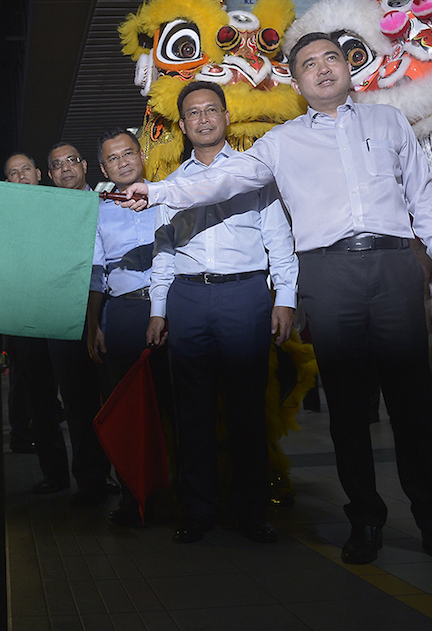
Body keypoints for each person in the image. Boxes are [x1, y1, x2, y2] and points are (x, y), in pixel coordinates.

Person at [121, 32, 432, 569]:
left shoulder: (388, 122)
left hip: (393, 265)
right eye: (309, 63)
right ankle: (366, 521)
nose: (323, 68)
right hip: (327, 274)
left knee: (412, 403)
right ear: (295, 78)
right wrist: (158, 191)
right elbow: (223, 179)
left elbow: (421, 191)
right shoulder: (280, 142)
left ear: (347, 66)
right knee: (347, 407)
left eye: (331, 57)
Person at [145, 82, 297, 543]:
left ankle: (250, 513)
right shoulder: (171, 185)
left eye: (211, 109)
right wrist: (158, 309)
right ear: (183, 125)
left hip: (245, 295)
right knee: (192, 411)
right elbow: (163, 250)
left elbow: (279, 240)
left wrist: (285, 298)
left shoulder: (255, 173)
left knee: (248, 408)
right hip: (188, 299)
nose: (204, 118)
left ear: (227, 117)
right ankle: (198, 511)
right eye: (193, 113)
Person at [88, 128, 174, 526]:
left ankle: (180, 494)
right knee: (128, 408)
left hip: (170, 308)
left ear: (141, 155)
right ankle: (132, 497)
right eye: (113, 158)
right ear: (103, 168)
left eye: (128, 153)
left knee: (173, 404)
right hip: (122, 313)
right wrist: (95, 325)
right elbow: (96, 273)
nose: (122, 162)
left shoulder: (168, 196)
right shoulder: (98, 211)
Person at [23, 142, 113, 507]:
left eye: (71, 161)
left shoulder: (109, 204)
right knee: (77, 404)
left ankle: (124, 478)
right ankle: (91, 482)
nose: (65, 169)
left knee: (114, 399)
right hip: (64, 318)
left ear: (85, 166)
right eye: (57, 165)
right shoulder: (44, 216)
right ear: (50, 174)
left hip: (109, 313)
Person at [1, 152, 51, 455]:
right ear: (7, 181)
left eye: (26, 169)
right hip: (21, 315)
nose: (21, 176)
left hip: (59, 310)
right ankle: (23, 436)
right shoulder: (1, 218)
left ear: (38, 174)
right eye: (13, 173)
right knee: (27, 382)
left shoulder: (59, 208)